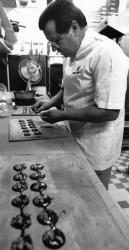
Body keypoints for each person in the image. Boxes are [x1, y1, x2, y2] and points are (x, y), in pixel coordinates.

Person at [33, 0, 129, 189]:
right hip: (74, 135)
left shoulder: (106, 53)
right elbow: (67, 86)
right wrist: (51, 102)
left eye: (57, 40)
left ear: (74, 27)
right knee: (74, 190)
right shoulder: (72, 53)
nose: (54, 47)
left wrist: (62, 115)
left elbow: (108, 112)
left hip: (97, 145)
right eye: (50, 42)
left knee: (93, 199)